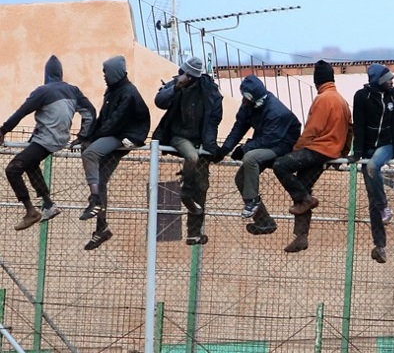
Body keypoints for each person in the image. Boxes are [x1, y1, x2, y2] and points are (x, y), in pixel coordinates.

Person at [0, 55, 96, 231]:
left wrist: (3, 130)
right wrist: (83, 135)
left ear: (46, 74)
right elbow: (90, 113)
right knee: (31, 165)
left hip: (46, 140)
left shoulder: (42, 91)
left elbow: (21, 112)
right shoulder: (73, 90)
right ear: (60, 73)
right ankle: (48, 205)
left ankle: (31, 212)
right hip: (59, 139)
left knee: (13, 169)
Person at [71, 55, 151, 250]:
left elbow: (115, 122)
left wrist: (92, 138)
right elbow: (103, 119)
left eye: (105, 72)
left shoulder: (128, 93)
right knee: (100, 180)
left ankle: (95, 199)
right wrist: (85, 136)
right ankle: (101, 229)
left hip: (124, 135)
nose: (103, 76)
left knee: (90, 153)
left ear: (114, 72)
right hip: (115, 132)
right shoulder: (113, 90)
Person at [272, 60, 352, 253]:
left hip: (317, 150)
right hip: (331, 153)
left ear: (317, 81)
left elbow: (312, 130)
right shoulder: (342, 101)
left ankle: (305, 201)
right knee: (303, 187)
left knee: (280, 165)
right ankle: (301, 236)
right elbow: (350, 130)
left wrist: (296, 149)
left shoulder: (323, 99)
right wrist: (342, 154)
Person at [214, 75, 301, 236]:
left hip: (282, 145)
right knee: (241, 178)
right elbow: (239, 127)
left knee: (250, 158)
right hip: (265, 141)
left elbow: (270, 139)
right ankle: (264, 222)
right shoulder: (248, 105)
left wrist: (245, 149)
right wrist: (225, 149)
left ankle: (252, 201)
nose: (244, 101)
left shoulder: (275, 111)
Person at [152, 56, 223, 245]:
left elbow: (214, 118)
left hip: (200, 141)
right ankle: (185, 190)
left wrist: (209, 145)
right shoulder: (175, 85)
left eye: (184, 74)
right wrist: (176, 87)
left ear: (192, 77)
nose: (180, 75)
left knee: (202, 186)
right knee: (191, 156)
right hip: (179, 137)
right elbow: (159, 101)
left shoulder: (209, 91)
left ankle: (194, 232)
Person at [348, 64, 394, 264]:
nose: (392, 82)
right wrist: (357, 153)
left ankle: (385, 207)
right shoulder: (362, 96)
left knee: (374, 167)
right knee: (372, 198)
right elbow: (358, 124)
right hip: (367, 148)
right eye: (388, 79)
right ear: (379, 81)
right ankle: (380, 246)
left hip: (386, 145)